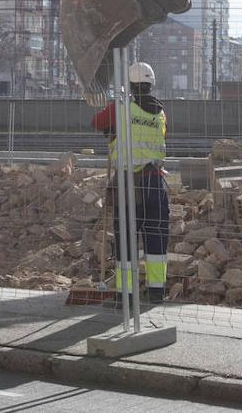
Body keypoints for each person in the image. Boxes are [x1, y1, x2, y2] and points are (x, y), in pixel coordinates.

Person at [91, 61, 170, 304]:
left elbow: (96, 123)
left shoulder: (121, 106)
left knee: (126, 238)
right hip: (156, 183)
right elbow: (156, 136)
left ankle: (126, 294)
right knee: (156, 237)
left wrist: (114, 128)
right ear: (150, 84)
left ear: (130, 85)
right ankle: (157, 291)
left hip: (129, 184)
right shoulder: (161, 112)